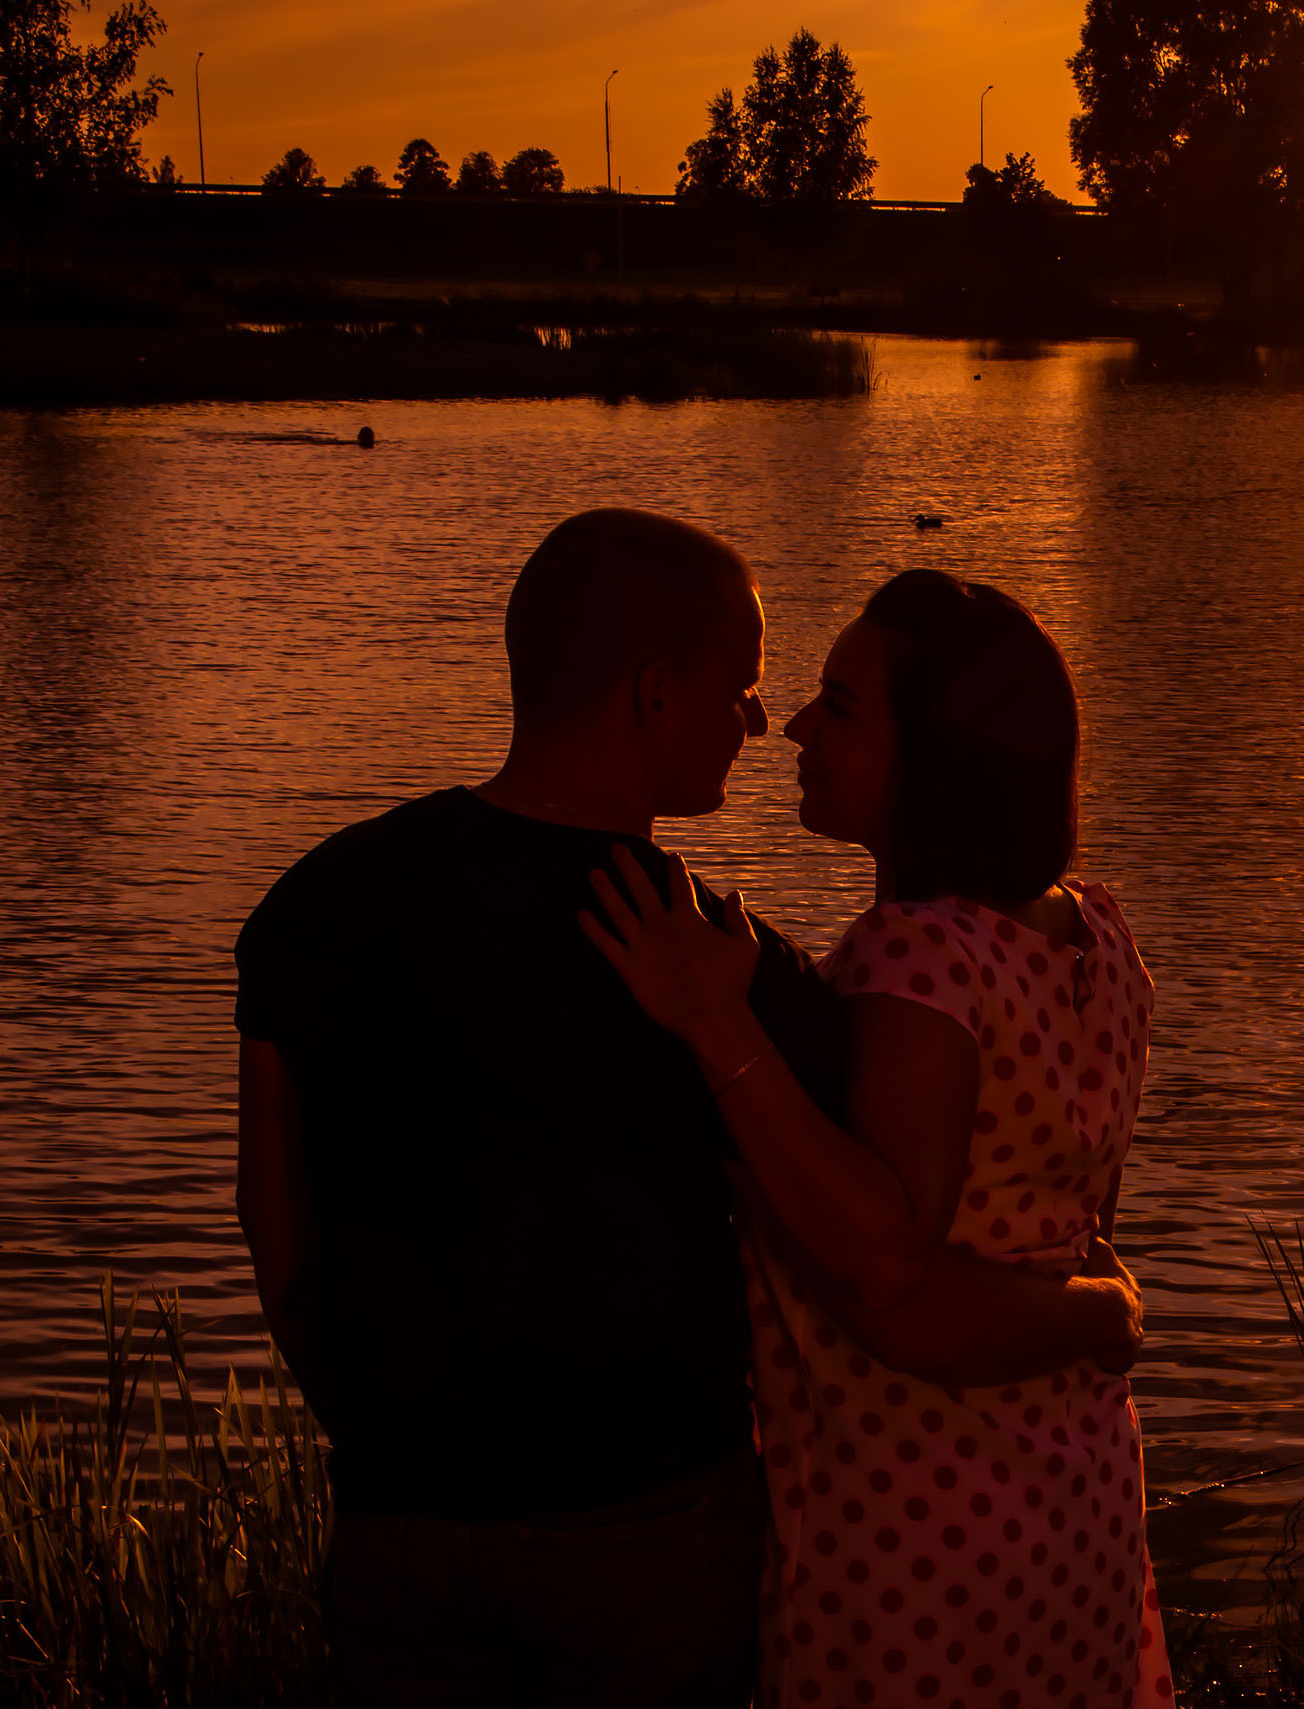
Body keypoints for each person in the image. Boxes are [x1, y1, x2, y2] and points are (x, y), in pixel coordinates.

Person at [233, 511, 1145, 1707]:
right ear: (656, 694)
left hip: (397, 1519)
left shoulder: (316, 898)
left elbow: (272, 1209)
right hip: (659, 1532)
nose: (765, 722)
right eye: (745, 687)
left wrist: (371, 1419)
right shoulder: (722, 961)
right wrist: (1099, 1306)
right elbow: (895, 1256)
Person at [582, 569, 1174, 1707]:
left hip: (918, 1517)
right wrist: (1096, 1310)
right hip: (1078, 1490)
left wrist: (717, 1024)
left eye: (840, 707)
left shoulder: (917, 959)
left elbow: (890, 1285)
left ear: (937, 754)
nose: (795, 727)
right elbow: (1064, 1232)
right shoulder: (1094, 932)